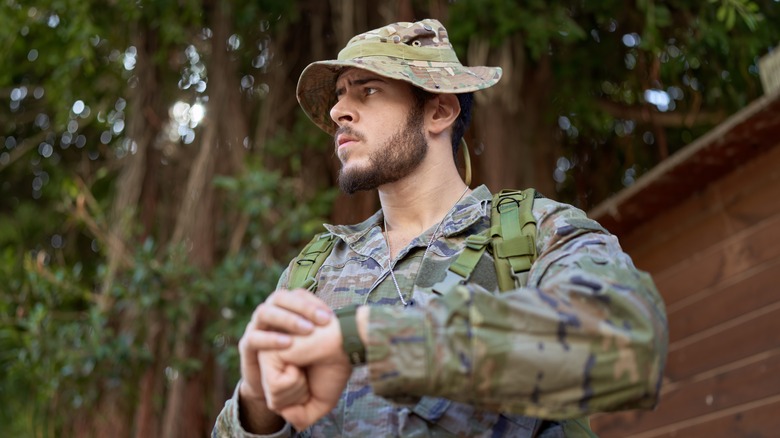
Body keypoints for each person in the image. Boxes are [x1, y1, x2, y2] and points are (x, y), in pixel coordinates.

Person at [213, 18, 668, 437]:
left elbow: (630, 340)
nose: (338, 112)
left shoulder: (531, 234)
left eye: (366, 90)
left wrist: (367, 336)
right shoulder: (314, 269)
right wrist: (255, 403)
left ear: (439, 111)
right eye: (339, 94)